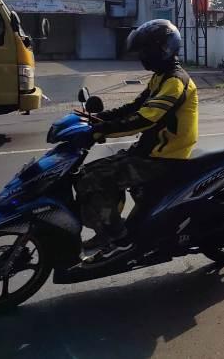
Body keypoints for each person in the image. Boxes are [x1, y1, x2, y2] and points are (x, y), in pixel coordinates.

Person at [77, 19, 199, 263]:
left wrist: (102, 131)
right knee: (86, 173)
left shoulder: (175, 82)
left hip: (164, 158)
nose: (143, 55)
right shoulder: (160, 77)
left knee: (94, 179)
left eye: (146, 50)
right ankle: (108, 231)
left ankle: (121, 240)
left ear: (161, 50)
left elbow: (145, 119)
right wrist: (98, 118)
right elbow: (135, 106)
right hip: (150, 152)